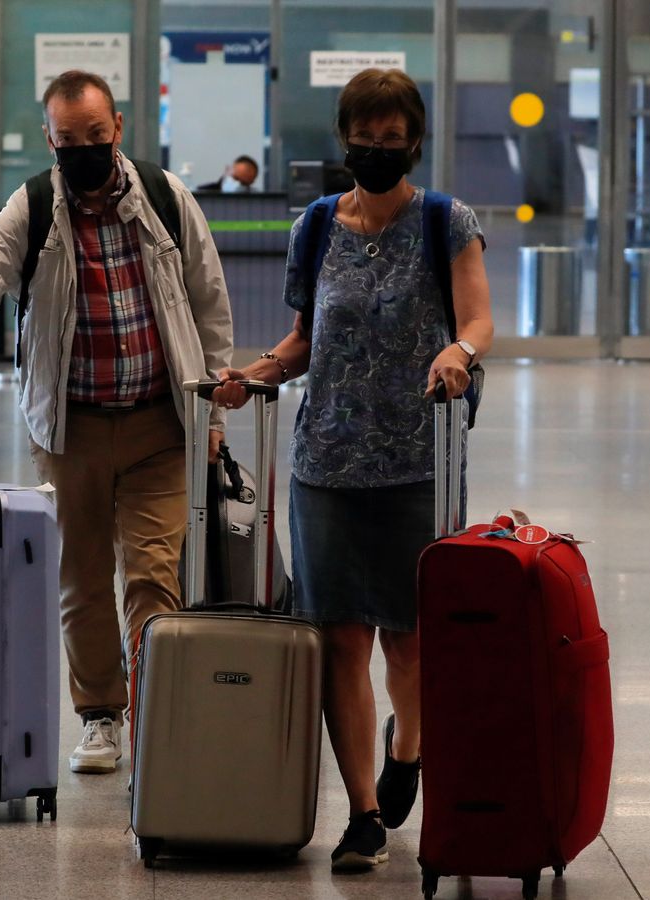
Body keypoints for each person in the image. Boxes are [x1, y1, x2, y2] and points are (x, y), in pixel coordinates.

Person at [0, 70, 234, 775]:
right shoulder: (32, 207)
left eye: (95, 136)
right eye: (68, 141)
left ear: (116, 126)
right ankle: (100, 716)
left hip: (159, 424)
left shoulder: (167, 199)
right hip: (72, 428)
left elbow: (209, 303)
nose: (84, 151)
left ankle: (153, 712)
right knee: (83, 577)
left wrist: (210, 409)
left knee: (154, 576)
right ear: (50, 139)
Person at [215, 68, 493, 872]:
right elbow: (306, 338)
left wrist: (459, 350)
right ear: (345, 141)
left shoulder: (445, 220)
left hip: (416, 462)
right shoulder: (314, 224)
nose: (377, 151)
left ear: (415, 141)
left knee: (408, 641)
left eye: (392, 139)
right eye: (364, 140)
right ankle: (363, 815)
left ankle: (408, 748)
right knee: (341, 640)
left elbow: (478, 316)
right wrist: (255, 372)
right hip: (326, 465)